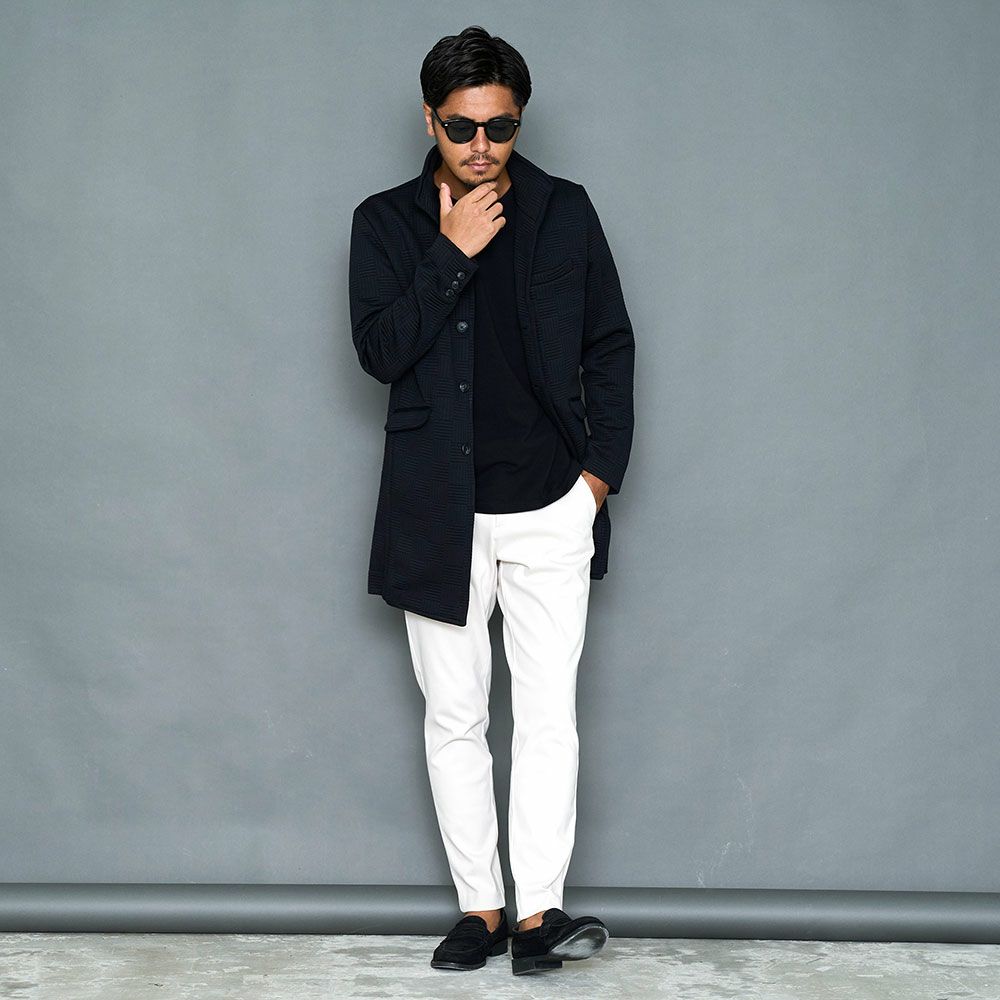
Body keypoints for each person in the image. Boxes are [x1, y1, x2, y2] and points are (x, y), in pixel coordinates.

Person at [348, 25, 635, 976]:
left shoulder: (564, 211)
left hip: (551, 503)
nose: (481, 147)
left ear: (520, 120)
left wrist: (597, 480)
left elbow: (609, 345)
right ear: (430, 119)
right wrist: (451, 252)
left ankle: (538, 915)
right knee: (455, 715)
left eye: (500, 128)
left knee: (549, 716)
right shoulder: (386, 223)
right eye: (462, 128)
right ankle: (480, 909)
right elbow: (380, 352)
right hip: (438, 508)